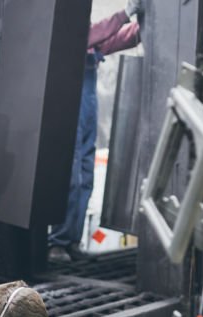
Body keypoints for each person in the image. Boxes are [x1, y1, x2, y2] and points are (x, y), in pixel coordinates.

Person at [49, 0, 144, 264]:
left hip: (87, 111)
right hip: (70, 108)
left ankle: (71, 240)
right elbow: (96, 33)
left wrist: (147, 22)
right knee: (72, 174)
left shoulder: (91, 41)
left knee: (86, 174)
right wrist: (125, 13)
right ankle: (57, 241)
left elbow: (119, 38)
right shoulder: (67, 34)